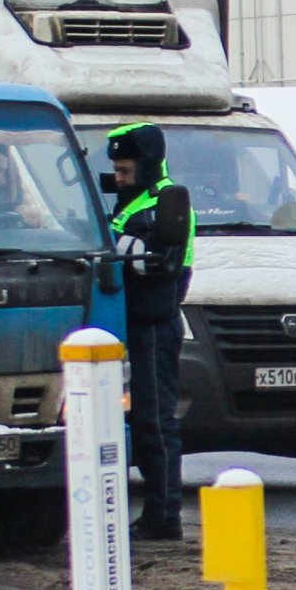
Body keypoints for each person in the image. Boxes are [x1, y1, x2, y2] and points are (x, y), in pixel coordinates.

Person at [107, 122, 195, 542]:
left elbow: (156, 262)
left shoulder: (166, 203)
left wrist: (116, 247)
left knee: (156, 422)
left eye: (124, 170)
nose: (118, 178)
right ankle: (156, 510)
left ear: (145, 165)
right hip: (129, 325)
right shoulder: (133, 203)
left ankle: (164, 516)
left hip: (155, 325)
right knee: (142, 420)